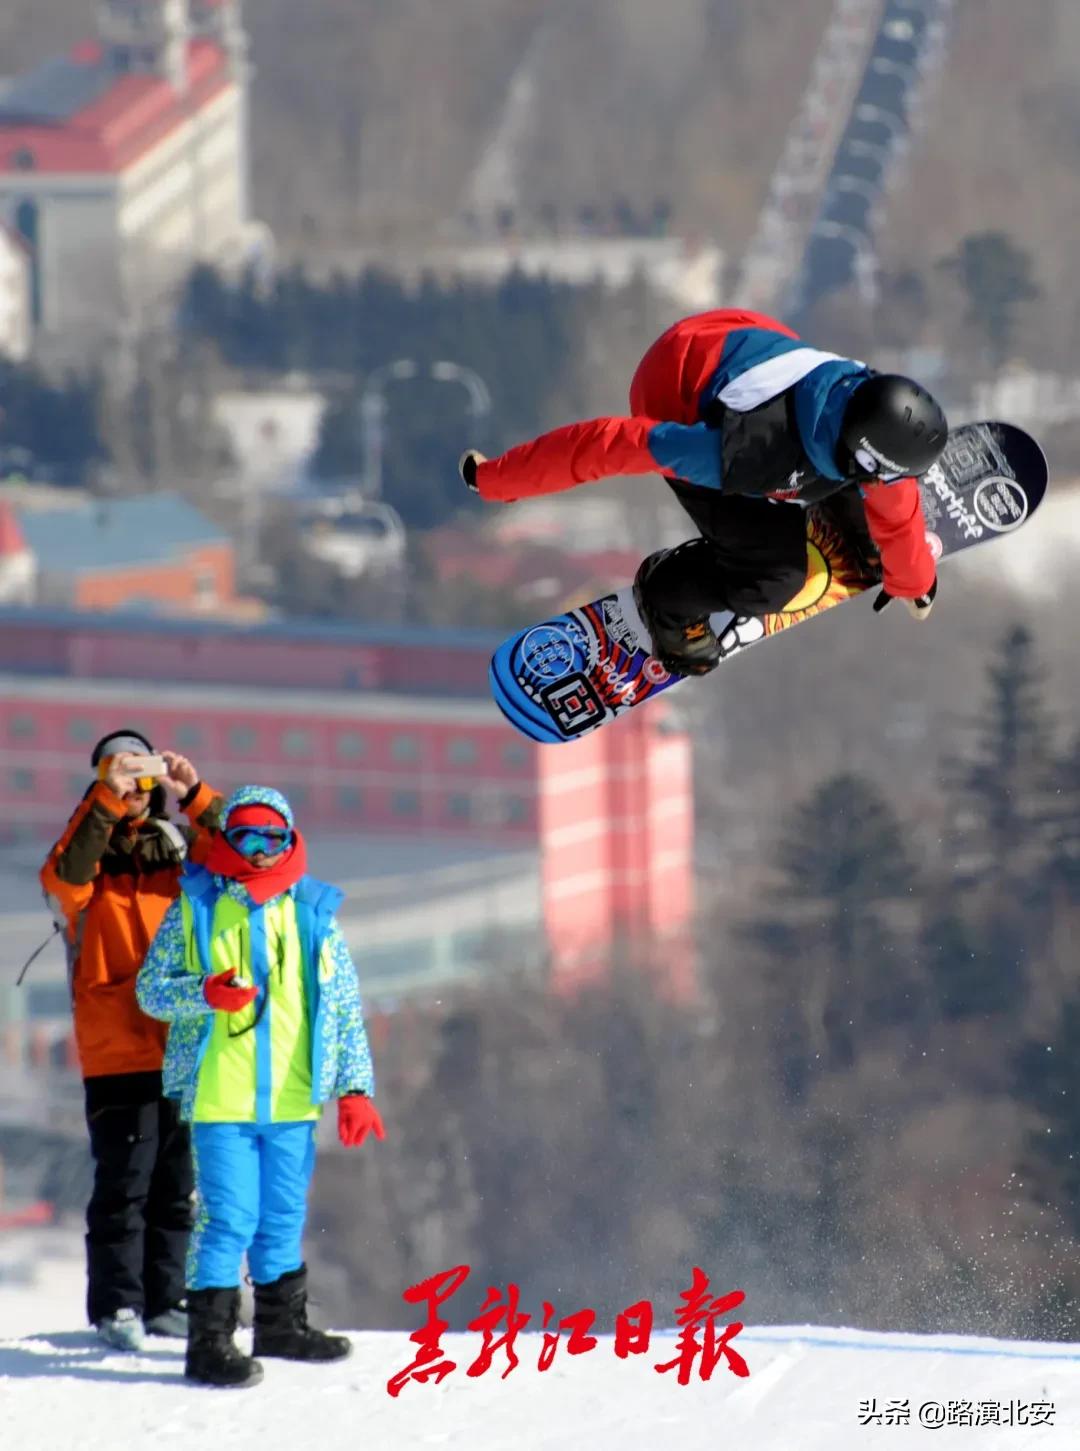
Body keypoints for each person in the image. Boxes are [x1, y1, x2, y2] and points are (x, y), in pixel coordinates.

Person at [459, 307, 949, 675]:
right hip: (674, 396)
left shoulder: (857, 399)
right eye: (882, 474)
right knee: (774, 579)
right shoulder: (742, 454)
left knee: (863, 498)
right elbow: (610, 446)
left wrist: (913, 580)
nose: (893, 484)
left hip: (734, 341)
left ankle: (851, 523)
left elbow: (896, 502)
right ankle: (667, 597)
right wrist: (500, 478)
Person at [136, 785, 384, 1390]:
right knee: (228, 1219)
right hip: (222, 1095)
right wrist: (204, 993)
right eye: (246, 836)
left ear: (292, 838)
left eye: (274, 837)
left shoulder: (313, 912)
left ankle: (281, 1325)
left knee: (282, 1215)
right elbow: (150, 989)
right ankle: (210, 1341)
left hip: (294, 1096)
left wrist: (355, 1088)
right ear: (226, 840)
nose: (261, 850)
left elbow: (343, 1005)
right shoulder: (195, 905)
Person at [40, 729, 223, 1352]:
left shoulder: (179, 850)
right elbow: (64, 881)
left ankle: (166, 1299)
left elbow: (249, 858)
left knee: (179, 1183)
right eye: (122, 772)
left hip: (183, 1042)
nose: (137, 786)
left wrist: (195, 795)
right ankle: (118, 1305)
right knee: (125, 1182)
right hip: (117, 1045)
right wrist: (105, 802)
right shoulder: (87, 851)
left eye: (142, 774)